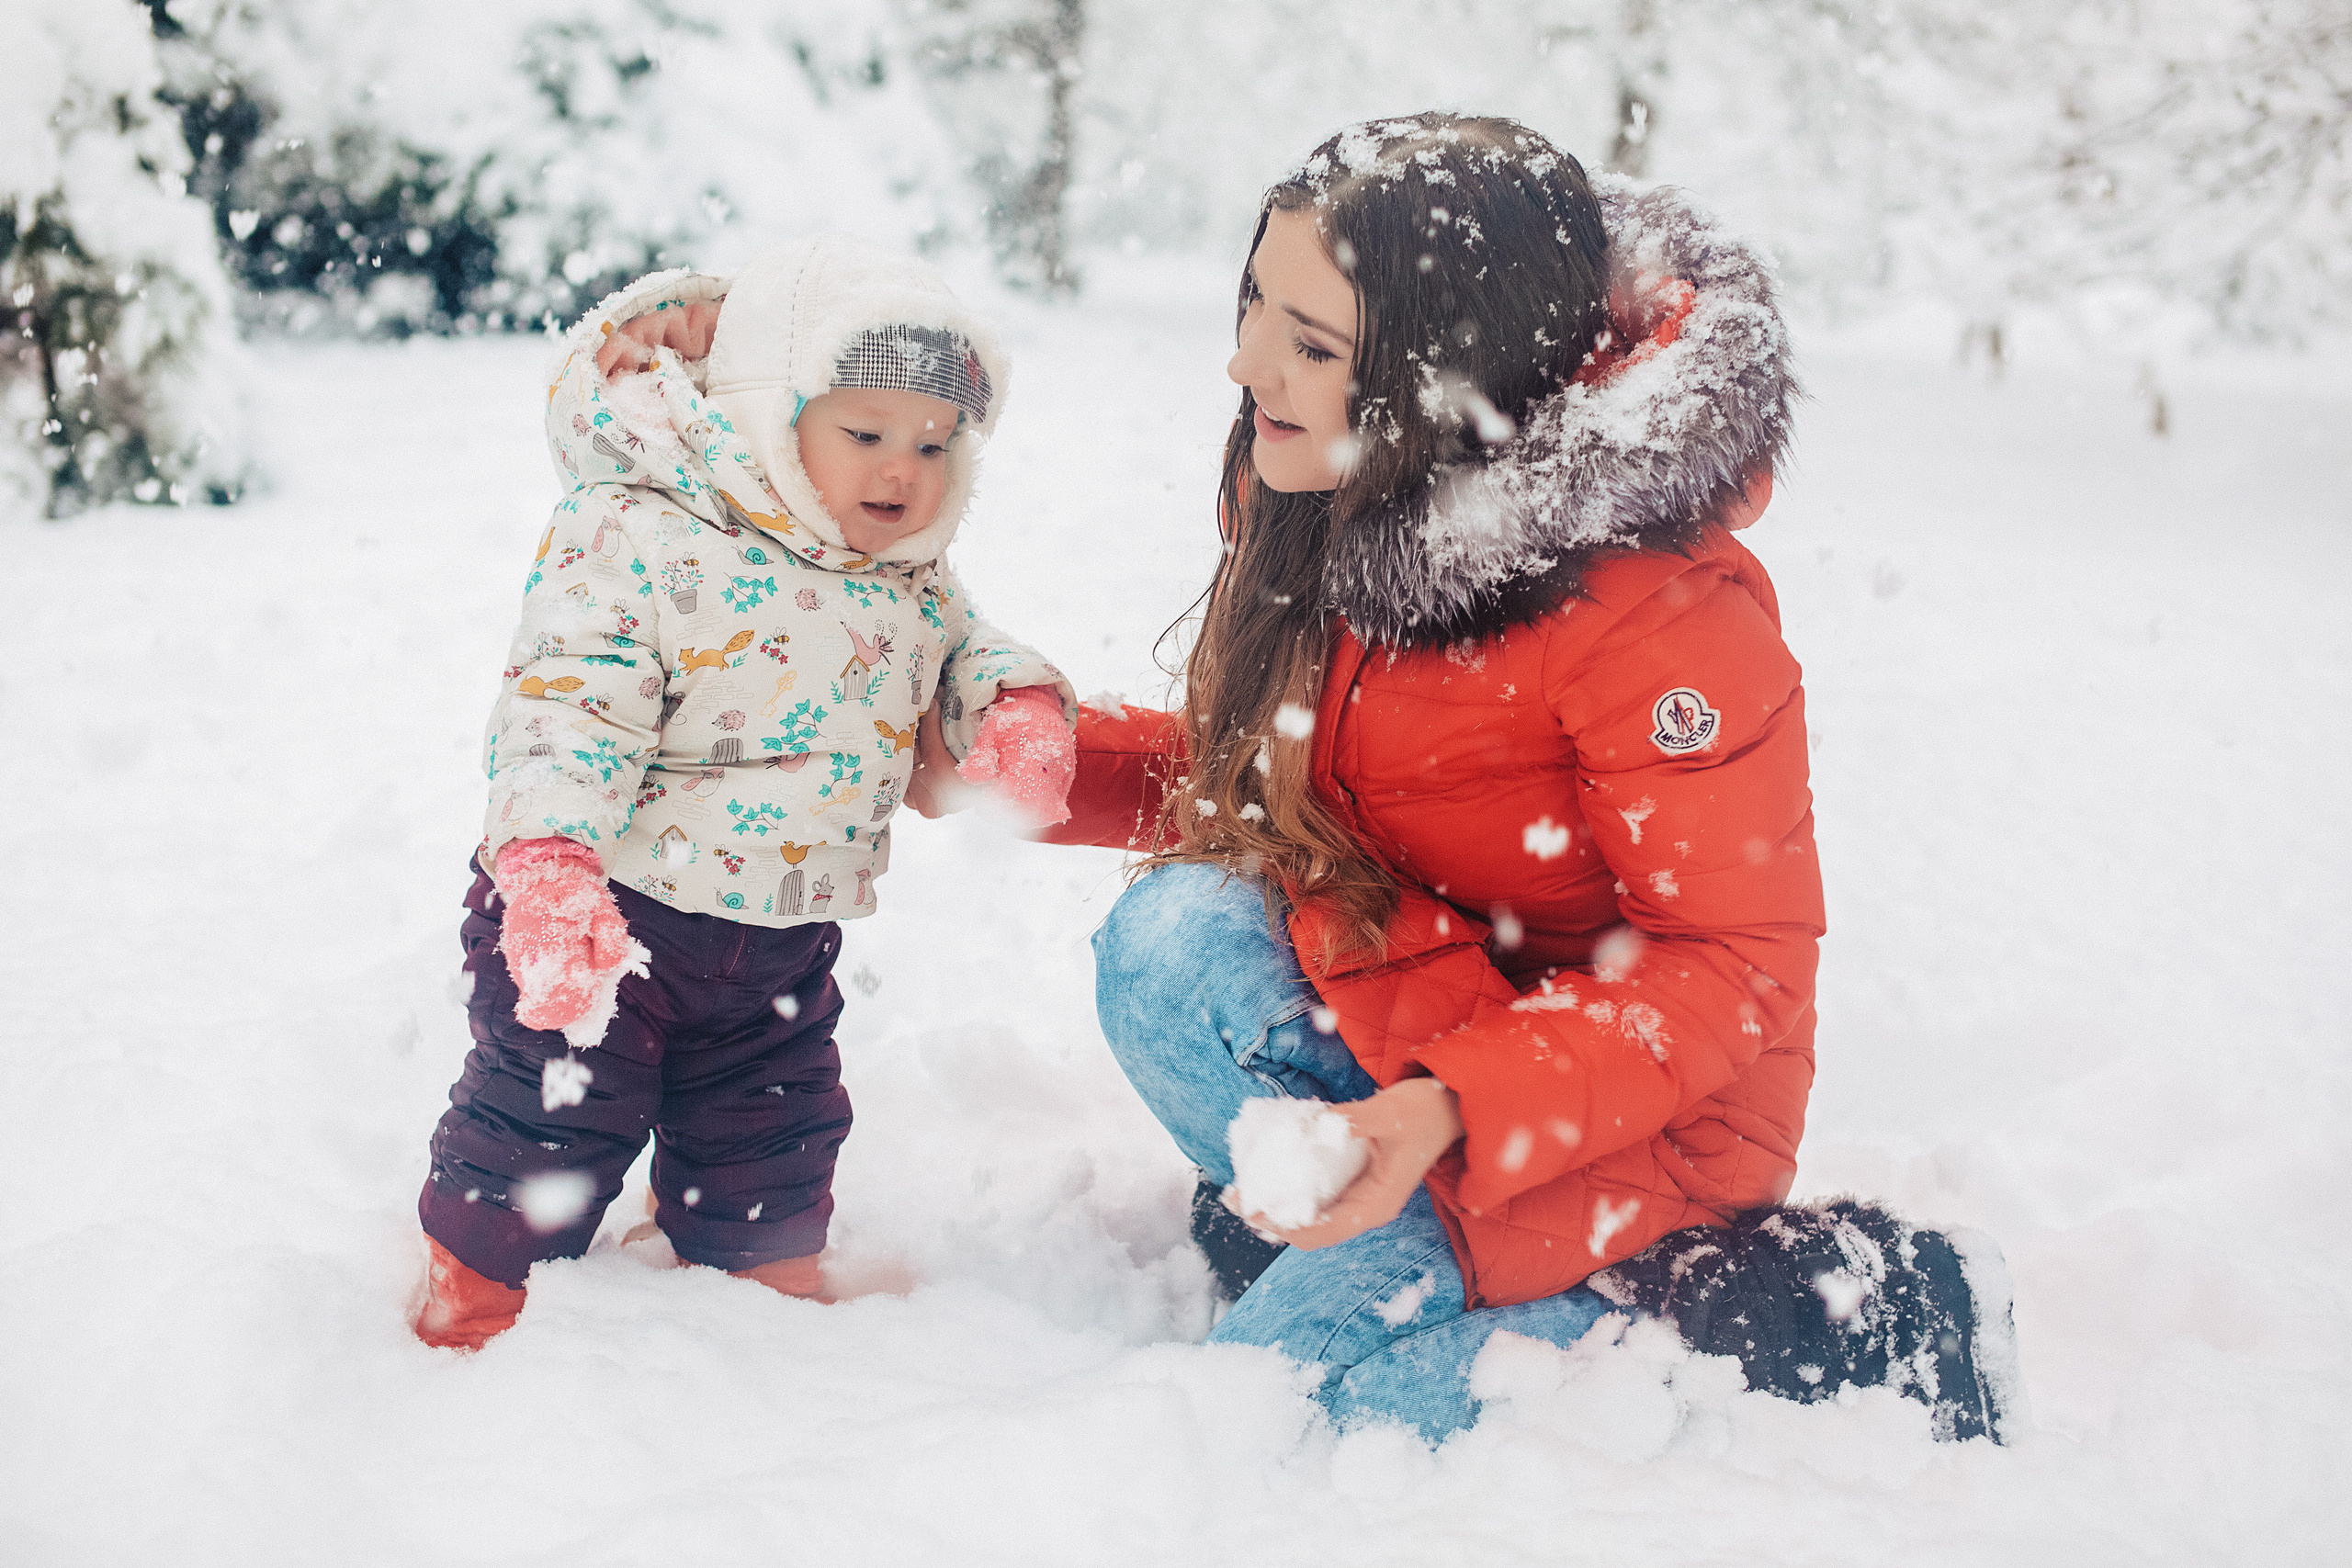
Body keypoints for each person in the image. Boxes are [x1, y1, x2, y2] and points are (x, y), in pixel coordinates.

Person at [994, 114, 2014, 1441]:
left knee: (1299, 1414)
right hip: (1441, 1006)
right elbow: (1286, 779)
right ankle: (1387, 1241)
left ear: (1439, 373)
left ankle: (1841, 1309)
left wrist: (1453, 1110)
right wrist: (1031, 766)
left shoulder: (1649, 614)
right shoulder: (1335, 477)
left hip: (1647, 1119)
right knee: (1167, 944)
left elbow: (1734, 970)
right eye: (1256, 302)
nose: (1248, 363)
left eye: (1310, 344)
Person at [413, 235, 1079, 1349]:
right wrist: (548, 869)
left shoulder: (906, 570)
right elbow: (565, 711)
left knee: (774, 1148)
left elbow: (964, 647)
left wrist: (1013, 708)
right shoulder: (642, 528)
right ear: (771, 415)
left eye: (931, 442)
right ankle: (474, 1302)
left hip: (777, 949)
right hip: (605, 925)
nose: (900, 471)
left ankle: (749, 1298)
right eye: (862, 434)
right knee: (540, 1128)